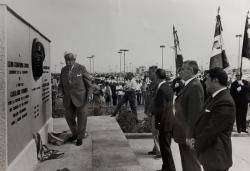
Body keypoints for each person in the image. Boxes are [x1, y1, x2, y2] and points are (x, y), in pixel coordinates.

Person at [189, 67, 236, 171]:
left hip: (217, 156)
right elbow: (201, 120)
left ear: (215, 80)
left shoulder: (225, 101)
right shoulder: (213, 97)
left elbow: (211, 130)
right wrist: (193, 136)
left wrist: (196, 144)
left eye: (207, 79)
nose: (205, 82)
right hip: (210, 154)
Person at [173, 60, 204, 171]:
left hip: (188, 135)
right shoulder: (189, 85)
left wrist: (190, 136)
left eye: (182, 69)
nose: (179, 71)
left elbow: (194, 115)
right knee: (187, 163)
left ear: (190, 70)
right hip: (184, 133)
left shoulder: (194, 86)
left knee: (191, 164)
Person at [58, 52, 92, 146]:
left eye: (70, 60)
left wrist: (88, 95)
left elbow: (89, 84)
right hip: (68, 99)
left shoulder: (81, 68)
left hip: (81, 98)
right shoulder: (63, 70)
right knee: (69, 117)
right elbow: (61, 84)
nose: (68, 62)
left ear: (74, 60)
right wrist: (60, 92)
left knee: (82, 119)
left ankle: (80, 137)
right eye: (66, 60)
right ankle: (75, 134)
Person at [153, 69, 176, 171]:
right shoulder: (167, 86)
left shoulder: (162, 89)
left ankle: (170, 169)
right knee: (165, 147)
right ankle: (166, 168)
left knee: (165, 149)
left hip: (164, 123)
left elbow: (161, 109)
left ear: (157, 76)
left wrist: (157, 124)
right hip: (168, 121)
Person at [145, 66, 161, 158]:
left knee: (156, 131)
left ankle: (159, 151)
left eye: (150, 73)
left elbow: (156, 100)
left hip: (155, 112)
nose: (149, 75)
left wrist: (152, 111)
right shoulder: (152, 84)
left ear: (156, 73)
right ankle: (156, 148)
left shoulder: (157, 84)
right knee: (153, 131)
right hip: (151, 110)